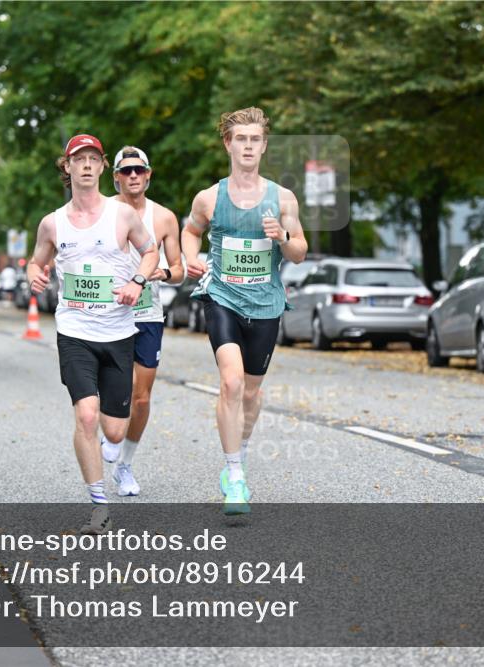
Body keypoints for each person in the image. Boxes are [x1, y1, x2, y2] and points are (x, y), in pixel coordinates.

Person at [28, 133, 158, 534]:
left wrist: (137, 280)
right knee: (86, 415)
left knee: (114, 428)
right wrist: (34, 273)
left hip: (119, 332)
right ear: (66, 168)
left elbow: (151, 251)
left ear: (103, 167)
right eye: (77, 159)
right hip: (75, 331)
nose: (85, 165)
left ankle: (111, 453)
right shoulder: (52, 223)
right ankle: (99, 504)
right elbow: (37, 262)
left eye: (92, 159)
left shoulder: (123, 216)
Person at [183, 106, 307, 515]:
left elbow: (300, 253)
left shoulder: (282, 197)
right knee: (232, 384)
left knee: (251, 392)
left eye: (255, 139)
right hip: (222, 297)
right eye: (241, 139)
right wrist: (190, 259)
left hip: (266, 303)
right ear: (228, 145)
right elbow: (190, 231)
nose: (248, 146)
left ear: (264, 145)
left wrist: (283, 236)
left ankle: (242, 447)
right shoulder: (210, 197)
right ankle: (234, 475)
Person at [100, 146, 184, 496]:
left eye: (139, 170)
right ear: (116, 177)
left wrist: (160, 273)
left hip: (148, 314)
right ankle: (111, 430)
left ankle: (125, 467)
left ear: (148, 175)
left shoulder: (164, 217)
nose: (133, 176)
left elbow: (178, 271)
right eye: (126, 171)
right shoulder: (100, 212)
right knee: (112, 388)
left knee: (142, 398)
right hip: (108, 313)